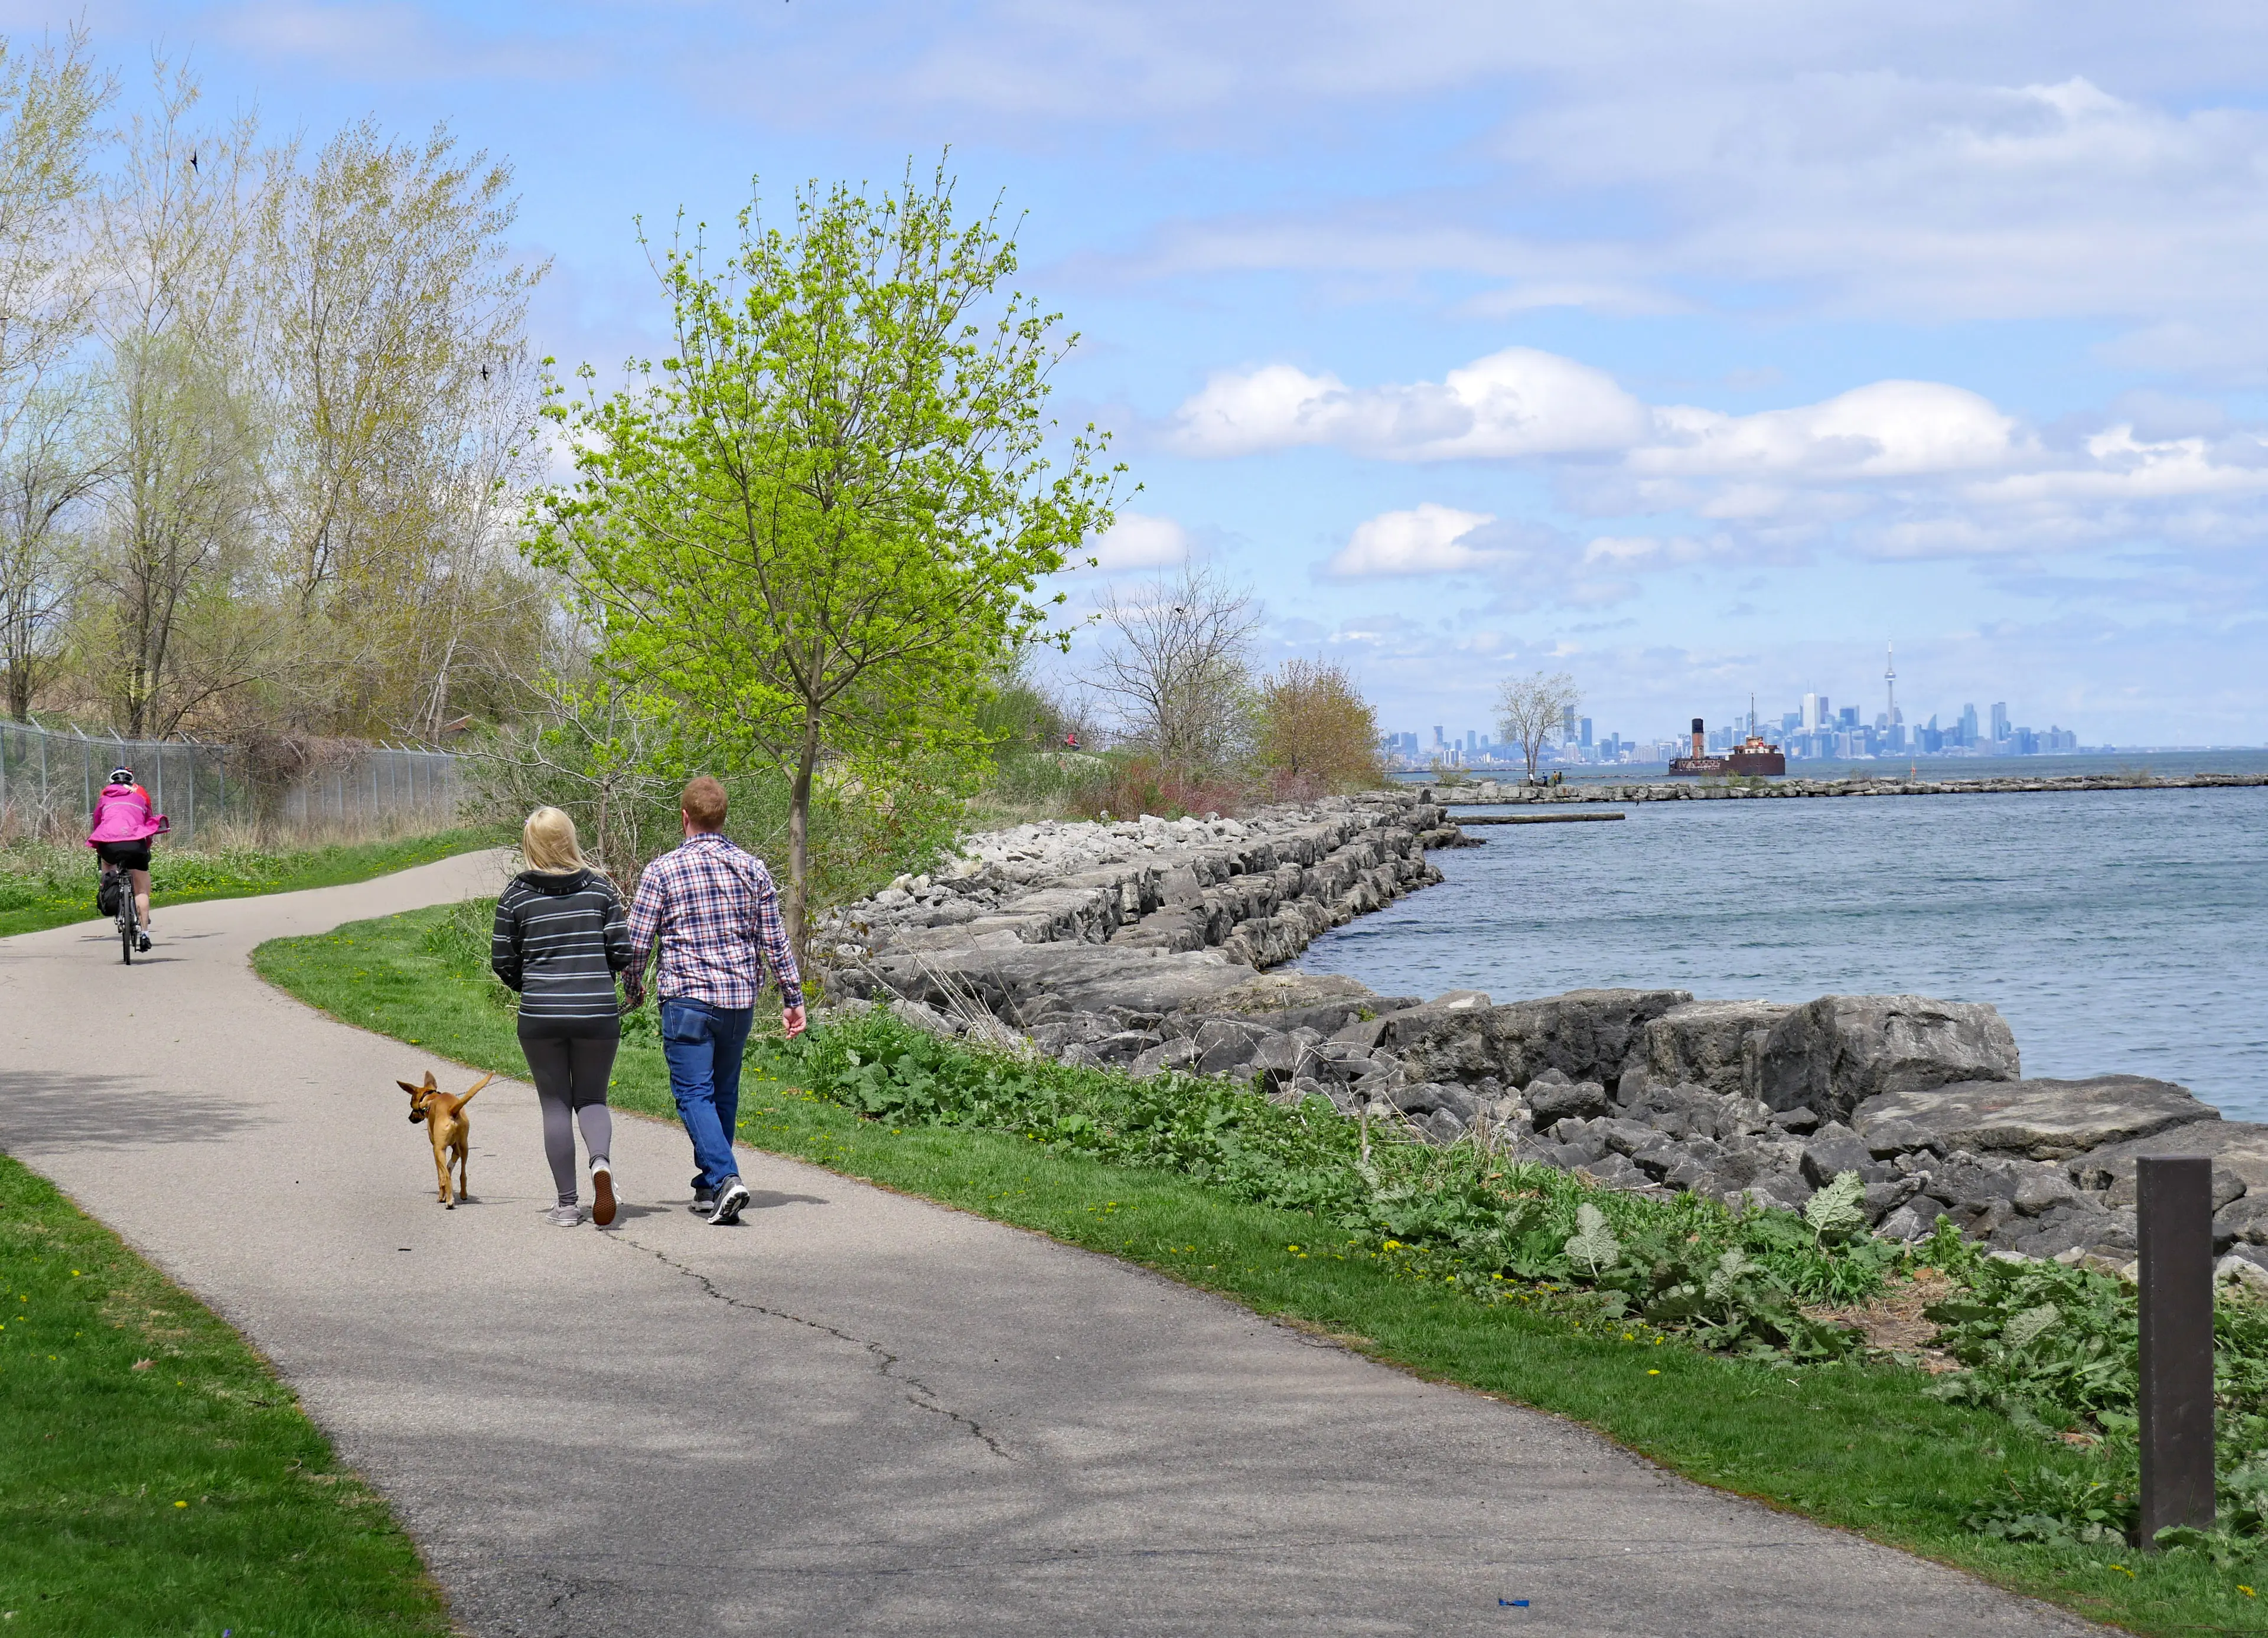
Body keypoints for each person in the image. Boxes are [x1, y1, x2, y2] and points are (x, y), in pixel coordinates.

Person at [624, 775, 806, 1226]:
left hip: (687, 999)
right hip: (738, 1001)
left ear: (684, 817)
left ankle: (725, 1177)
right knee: (722, 1092)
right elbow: (775, 939)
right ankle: (709, 1189)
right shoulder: (753, 868)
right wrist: (793, 996)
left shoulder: (662, 870)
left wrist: (632, 987)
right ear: (723, 818)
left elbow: (636, 943)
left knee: (692, 1094)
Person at [491, 808, 633, 1228]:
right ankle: (601, 1164)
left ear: (530, 843)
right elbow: (623, 953)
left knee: (555, 1106)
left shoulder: (516, 895)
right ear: (570, 839)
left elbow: (503, 960)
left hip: (541, 1014)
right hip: (596, 1013)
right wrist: (597, 973)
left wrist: (531, 986)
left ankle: (567, 1205)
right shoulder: (600, 891)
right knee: (592, 1098)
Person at [87, 767, 164, 952]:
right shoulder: (139, 798)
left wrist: (100, 848)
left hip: (110, 846)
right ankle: (145, 933)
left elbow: (97, 824)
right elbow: (148, 824)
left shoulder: (104, 799)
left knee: (107, 864)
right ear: (131, 783)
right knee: (141, 889)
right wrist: (146, 848)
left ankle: (109, 890)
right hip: (135, 845)